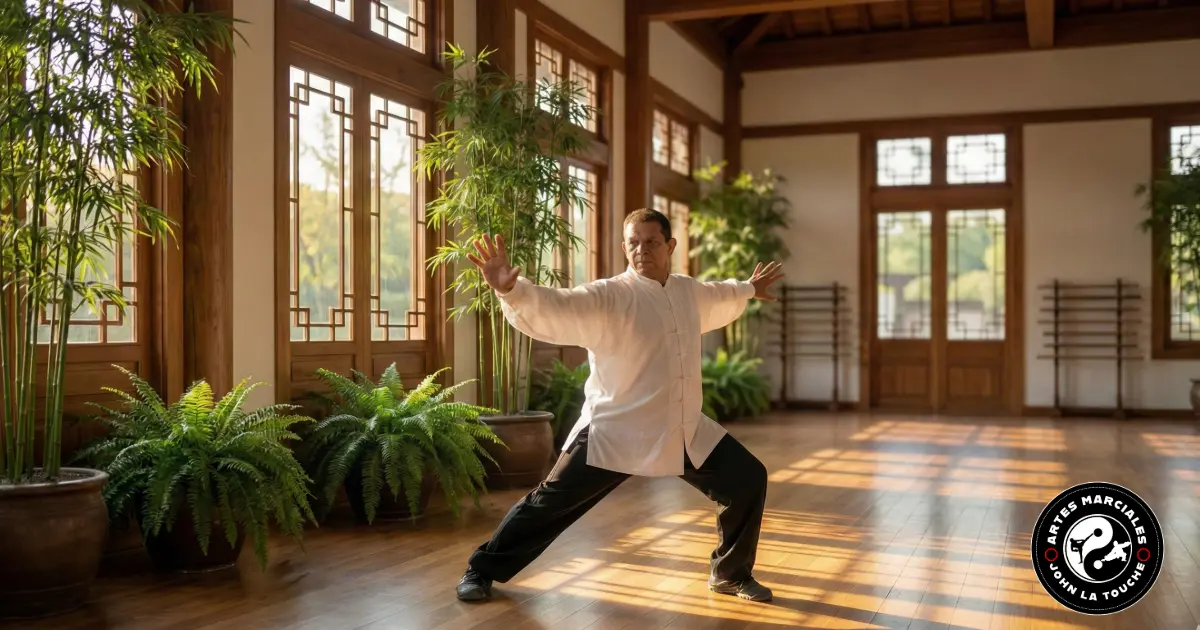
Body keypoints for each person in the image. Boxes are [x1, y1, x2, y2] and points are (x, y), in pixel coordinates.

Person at [456, 208, 784, 603]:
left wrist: (748, 288)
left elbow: (721, 293)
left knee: (747, 478)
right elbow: (559, 304)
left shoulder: (687, 291)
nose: (642, 249)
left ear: (670, 246)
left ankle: (730, 574)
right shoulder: (608, 295)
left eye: (651, 242)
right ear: (624, 248)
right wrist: (513, 290)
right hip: (614, 430)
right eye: (633, 243)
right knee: (547, 506)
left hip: (679, 426)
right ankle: (480, 570)